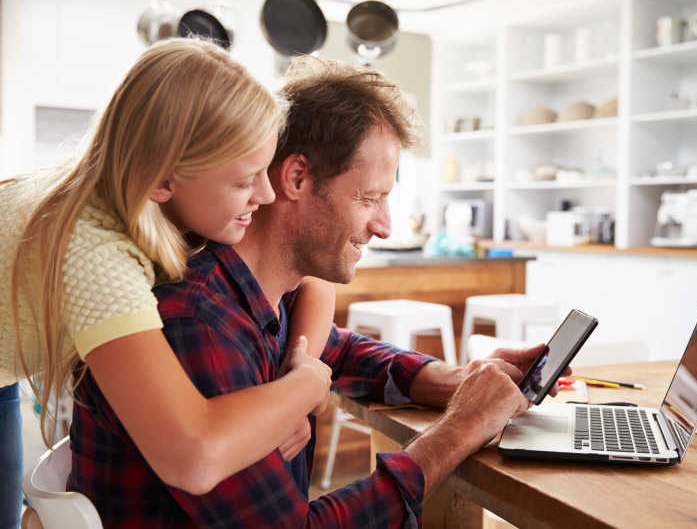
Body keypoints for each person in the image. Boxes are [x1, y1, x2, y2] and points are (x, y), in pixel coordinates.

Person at [68, 56, 563, 527]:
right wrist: (460, 429)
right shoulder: (196, 322)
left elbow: (333, 347)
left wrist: (446, 380)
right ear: (297, 178)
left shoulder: (262, 294)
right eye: (369, 198)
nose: (385, 227)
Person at [0, 39, 336, 528]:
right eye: (245, 181)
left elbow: (311, 274)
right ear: (163, 180)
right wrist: (306, 387)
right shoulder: (97, 254)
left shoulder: (125, 191)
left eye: (266, 171)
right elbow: (191, 457)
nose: (265, 194)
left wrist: (292, 376)